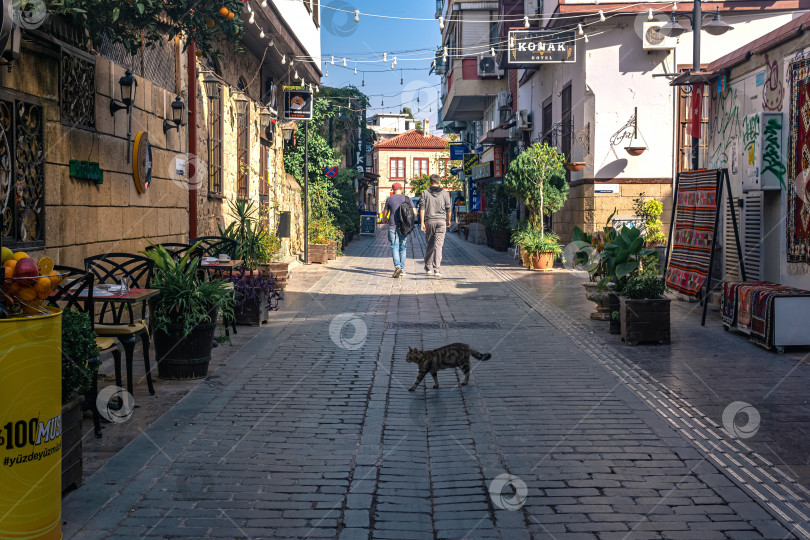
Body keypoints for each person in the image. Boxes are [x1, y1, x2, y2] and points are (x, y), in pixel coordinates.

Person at [419, 174, 452, 277]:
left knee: (430, 244)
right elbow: (449, 209)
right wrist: (448, 220)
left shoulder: (425, 193)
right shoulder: (445, 193)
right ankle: (437, 270)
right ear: (439, 182)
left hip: (429, 221)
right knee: (438, 246)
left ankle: (428, 267)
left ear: (430, 182)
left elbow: (422, 208)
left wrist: (422, 222)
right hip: (441, 221)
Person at [382, 182, 413, 278]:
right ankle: (402, 269)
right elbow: (414, 211)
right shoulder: (407, 199)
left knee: (394, 246)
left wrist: (384, 220)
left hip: (393, 226)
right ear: (401, 189)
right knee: (403, 247)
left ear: (393, 190)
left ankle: (397, 266)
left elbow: (385, 213)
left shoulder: (389, 199)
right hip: (404, 227)